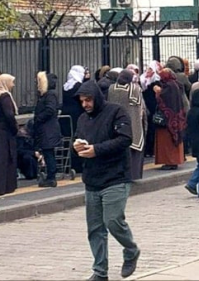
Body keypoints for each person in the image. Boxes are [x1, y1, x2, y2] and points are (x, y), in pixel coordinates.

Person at [73, 80, 140, 280]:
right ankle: (100, 271)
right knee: (95, 228)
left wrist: (97, 150)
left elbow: (125, 139)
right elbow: (77, 138)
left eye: (88, 100)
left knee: (112, 221)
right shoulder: (83, 119)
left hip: (115, 177)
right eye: (82, 101)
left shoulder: (116, 112)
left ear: (97, 98)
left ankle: (130, 250)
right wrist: (77, 147)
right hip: (92, 179)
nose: (85, 104)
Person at [108, 69, 147, 180]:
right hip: (133, 122)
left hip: (115, 122)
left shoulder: (112, 89)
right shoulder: (135, 89)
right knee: (134, 149)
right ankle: (133, 175)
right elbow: (140, 107)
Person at [34, 72, 62, 188]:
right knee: (48, 152)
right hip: (47, 128)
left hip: (47, 129)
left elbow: (50, 110)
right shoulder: (47, 94)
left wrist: (39, 118)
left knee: (48, 152)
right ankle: (50, 176)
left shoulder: (49, 95)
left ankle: (51, 177)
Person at [154, 69, 186, 170]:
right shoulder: (176, 84)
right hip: (176, 117)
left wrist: (158, 92)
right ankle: (174, 161)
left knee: (167, 141)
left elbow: (163, 100)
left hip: (168, 120)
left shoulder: (169, 86)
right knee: (174, 140)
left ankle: (170, 161)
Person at [62, 65, 88, 173]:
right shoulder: (78, 86)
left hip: (65, 115)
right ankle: (77, 164)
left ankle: (66, 164)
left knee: (67, 140)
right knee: (78, 139)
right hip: (77, 115)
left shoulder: (65, 86)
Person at [141, 61, 162, 158]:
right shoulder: (143, 79)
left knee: (152, 128)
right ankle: (148, 149)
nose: (148, 71)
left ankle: (151, 149)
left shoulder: (156, 80)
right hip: (147, 107)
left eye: (150, 69)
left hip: (153, 107)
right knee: (148, 128)